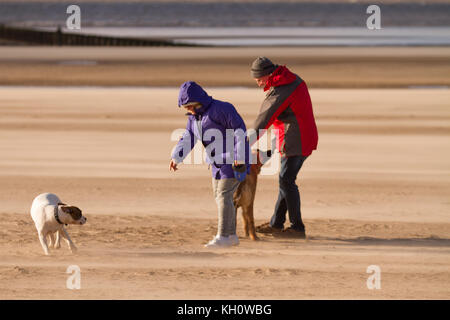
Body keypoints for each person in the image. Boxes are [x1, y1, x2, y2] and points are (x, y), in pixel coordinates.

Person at [170, 81, 250, 248]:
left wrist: (239, 156)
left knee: (223, 195)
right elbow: (188, 137)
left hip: (233, 160)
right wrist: (176, 157)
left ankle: (223, 236)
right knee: (220, 196)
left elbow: (239, 131)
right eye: (186, 108)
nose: (189, 110)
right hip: (216, 162)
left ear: (200, 100)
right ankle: (232, 236)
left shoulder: (223, 109)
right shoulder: (194, 118)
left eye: (191, 106)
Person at [250, 57, 318, 239]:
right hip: (300, 136)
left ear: (266, 75)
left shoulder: (282, 88)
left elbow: (263, 119)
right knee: (286, 180)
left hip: (296, 140)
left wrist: (244, 144)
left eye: (258, 80)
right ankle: (277, 224)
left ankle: (297, 228)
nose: (258, 84)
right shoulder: (289, 79)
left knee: (286, 181)